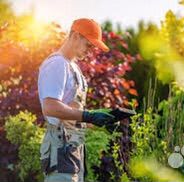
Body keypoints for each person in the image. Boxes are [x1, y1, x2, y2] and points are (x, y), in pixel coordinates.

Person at [38, 18, 116, 182]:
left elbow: (73, 114)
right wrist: (89, 115)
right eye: (89, 45)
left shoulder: (73, 67)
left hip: (73, 148)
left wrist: (99, 120)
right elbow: (50, 107)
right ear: (74, 36)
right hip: (60, 148)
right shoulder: (57, 64)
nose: (90, 51)